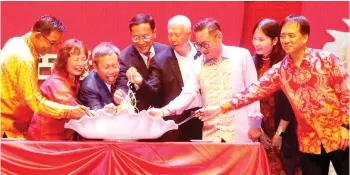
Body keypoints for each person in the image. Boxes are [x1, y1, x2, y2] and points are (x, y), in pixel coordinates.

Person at [200, 15, 349, 175]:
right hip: (309, 141)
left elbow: (345, 94)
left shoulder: (326, 60)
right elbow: (252, 91)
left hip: (338, 135)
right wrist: (221, 107)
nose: (286, 40)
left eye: (291, 35)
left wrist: (346, 126)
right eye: (283, 35)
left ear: (305, 37)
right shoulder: (281, 70)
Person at [148, 18, 263, 143]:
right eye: (198, 45)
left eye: (205, 44)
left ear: (218, 37)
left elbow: (253, 92)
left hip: (241, 130)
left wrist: (255, 124)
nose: (202, 50)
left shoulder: (241, 56)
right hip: (211, 133)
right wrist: (163, 111)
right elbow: (187, 94)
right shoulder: (196, 65)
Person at [0, 15, 90, 139]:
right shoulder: (24, 58)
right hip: (9, 128)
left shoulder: (16, 42)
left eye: (83, 59)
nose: (53, 49)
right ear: (37, 35)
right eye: (52, 43)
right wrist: (70, 111)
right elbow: (35, 102)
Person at [252, 18, 300, 175]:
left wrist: (279, 133)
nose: (256, 43)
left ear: (274, 40)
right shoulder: (251, 64)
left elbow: (290, 102)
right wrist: (258, 129)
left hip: (284, 128)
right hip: (260, 129)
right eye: (254, 38)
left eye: (261, 39)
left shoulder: (285, 64)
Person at [26, 39, 89, 141]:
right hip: (45, 141)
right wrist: (103, 115)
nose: (80, 64)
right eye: (76, 60)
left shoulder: (74, 80)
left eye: (83, 59)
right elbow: (77, 112)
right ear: (64, 60)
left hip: (60, 139)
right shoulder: (57, 83)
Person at [154, 15, 203, 141]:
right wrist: (140, 83)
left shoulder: (203, 53)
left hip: (203, 116)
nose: (173, 39)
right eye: (170, 35)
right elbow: (154, 90)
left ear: (189, 34)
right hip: (176, 120)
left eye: (177, 35)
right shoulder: (161, 60)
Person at [114, 13, 166, 111]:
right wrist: (122, 95)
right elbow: (123, 86)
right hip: (140, 115)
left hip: (166, 113)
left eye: (145, 37)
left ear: (154, 33)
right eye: (136, 37)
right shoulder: (123, 58)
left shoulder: (166, 52)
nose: (141, 42)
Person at [78, 42, 125, 110]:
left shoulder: (121, 74)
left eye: (115, 66)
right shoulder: (89, 87)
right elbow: (97, 115)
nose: (111, 71)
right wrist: (107, 111)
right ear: (95, 67)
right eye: (106, 67)